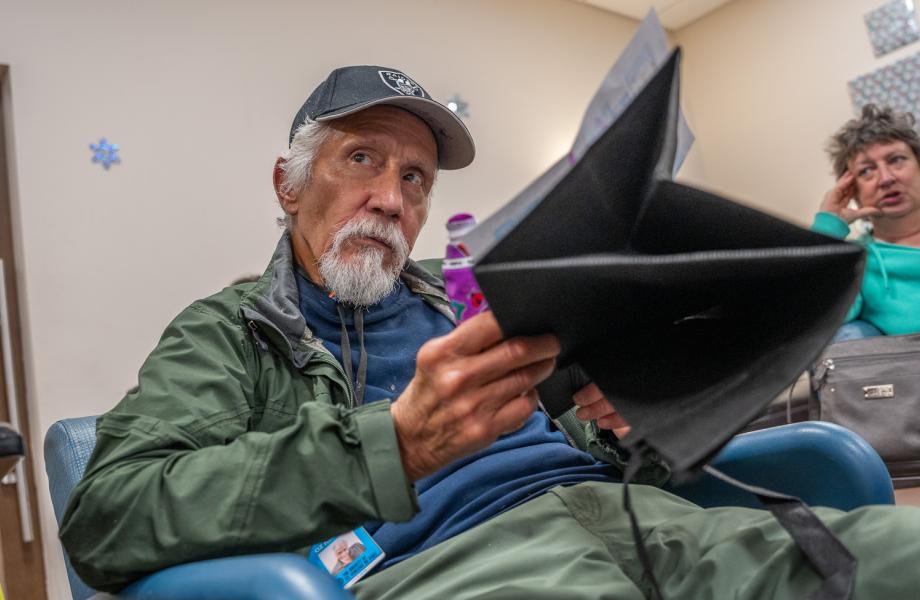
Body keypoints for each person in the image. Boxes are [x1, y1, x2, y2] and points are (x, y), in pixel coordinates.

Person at [60, 66, 920, 599]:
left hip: (642, 521)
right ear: (288, 186)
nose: (392, 199)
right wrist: (391, 447)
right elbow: (107, 515)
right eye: (361, 159)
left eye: (415, 178)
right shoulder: (230, 332)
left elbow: (597, 435)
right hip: (446, 563)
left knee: (896, 556)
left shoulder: (467, 301)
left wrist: (640, 412)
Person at [814, 104, 920, 340]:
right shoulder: (859, 261)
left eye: (896, 160)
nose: (886, 178)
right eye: (866, 171)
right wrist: (828, 227)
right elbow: (811, 318)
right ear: (852, 191)